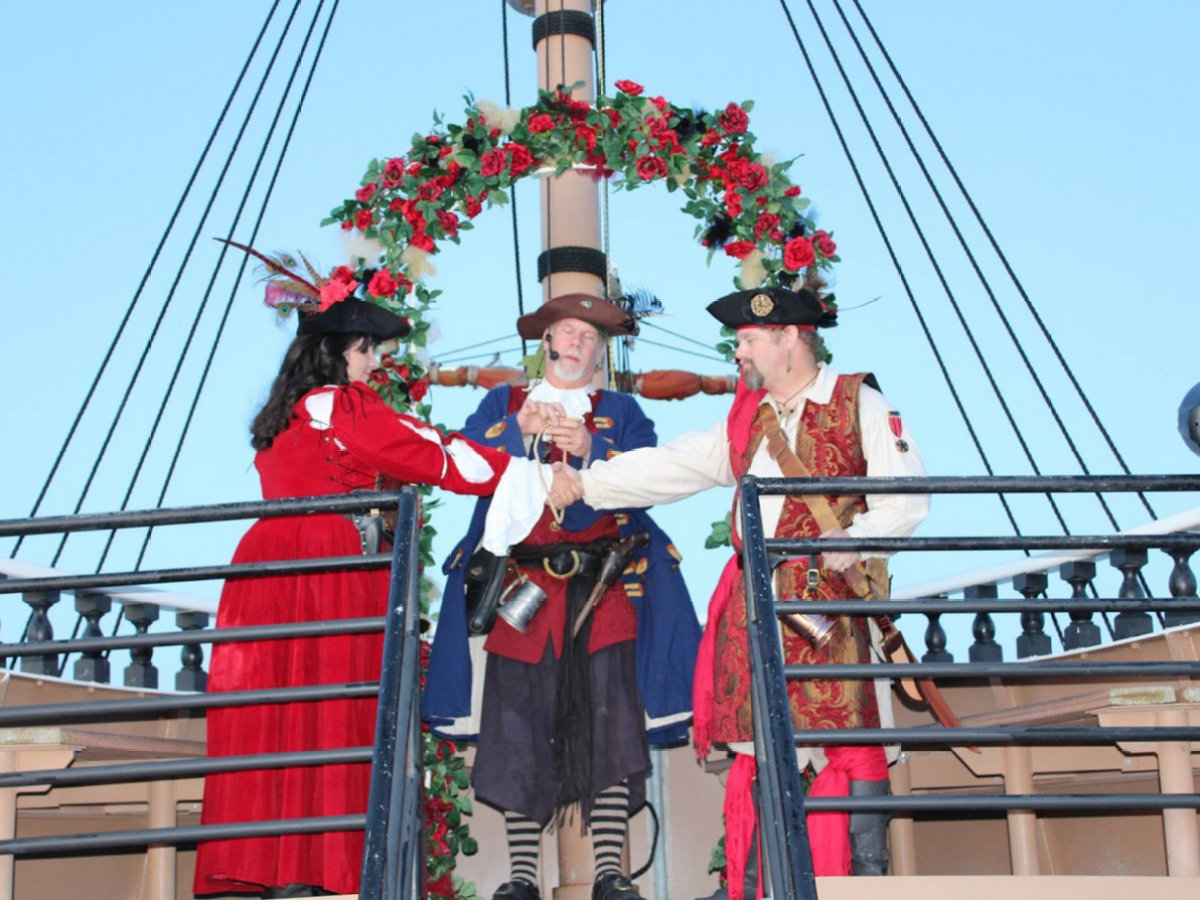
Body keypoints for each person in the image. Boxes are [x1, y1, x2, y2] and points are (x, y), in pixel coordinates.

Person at [554, 284, 929, 892]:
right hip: (756, 606)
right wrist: (589, 483)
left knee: (850, 736)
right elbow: (675, 464)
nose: (738, 351)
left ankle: (864, 881)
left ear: (789, 339)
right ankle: (752, 884)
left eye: (749, 338)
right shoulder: (749, 419)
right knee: (757, 748)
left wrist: (855, 539)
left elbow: (908, 494)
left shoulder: (857, 400)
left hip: (829, 603)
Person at [193, 288, 563, 898]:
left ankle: (281, 866)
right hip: (327, 565)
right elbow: (426, 452)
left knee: (278, 713)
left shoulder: (285, 414)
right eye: (366, 350)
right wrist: (529, 474)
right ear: (340, 352)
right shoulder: (338, 405)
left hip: (266, 567)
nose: (372, 363)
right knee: (337, 709)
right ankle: (317, 872)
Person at [422, 294, 702, 900]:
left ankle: (609, 873)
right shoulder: (502, 403)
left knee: (612, 725)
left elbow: (649, 476)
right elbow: (464, 458)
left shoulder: (623, 411)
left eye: (588, 337)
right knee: (517, 727)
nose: (576, 344)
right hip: (520, 597)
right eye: (567, 333)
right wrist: (519, 430)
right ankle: (522, 879)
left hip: (605, 593)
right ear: (546, 341)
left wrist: (591, 453)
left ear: (600, 351)